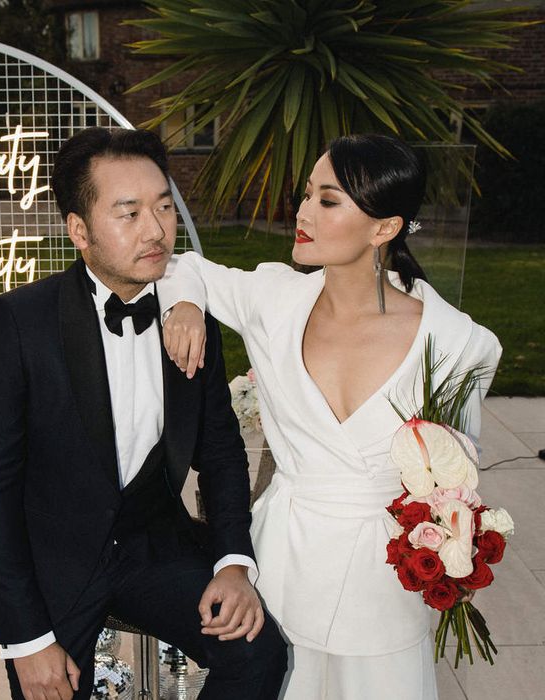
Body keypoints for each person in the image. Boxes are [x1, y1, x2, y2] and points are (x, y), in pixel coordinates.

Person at [158, 134, 502, 699]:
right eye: (307, 194)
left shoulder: (456, 344)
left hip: (384, 580)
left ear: (384, 228)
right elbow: (178, 266)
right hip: (284, 563)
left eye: (328, 200)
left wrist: (450, 547)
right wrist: (189, 305)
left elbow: (455, 480)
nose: (302, 212)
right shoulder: (275, 298)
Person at [0, 127, 288, 700]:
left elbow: (219, 448)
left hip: (151, 548)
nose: (156, 230)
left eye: (163, 206)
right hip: (51, 563)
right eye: (129, 213)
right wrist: (28, 639)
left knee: (258, 652)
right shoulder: (20, 323)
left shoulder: (190, 317)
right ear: (79, 231)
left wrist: (234, 562)